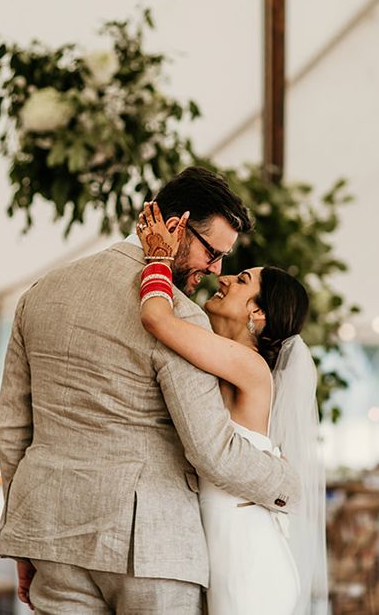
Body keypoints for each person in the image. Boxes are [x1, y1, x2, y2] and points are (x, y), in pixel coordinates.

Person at [0, 167, 301, 614]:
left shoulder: (39, 294)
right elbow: (209, 449)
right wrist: (286, 484)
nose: (216, 271)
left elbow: (12, 428)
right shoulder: (178, 316)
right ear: (175, 228)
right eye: (212, 253)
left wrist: (21, 535)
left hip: (50, 533)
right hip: (150, 546)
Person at [136, 201, 327, 615]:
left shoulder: (250, 368)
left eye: (241, 280)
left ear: (257, 312)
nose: (221, 278)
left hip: (248, 558)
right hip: (221, 549)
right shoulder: (217, 359)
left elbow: (156, 318)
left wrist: (157, 259)